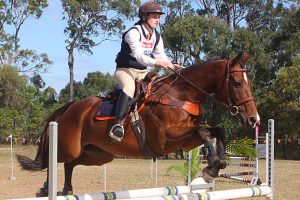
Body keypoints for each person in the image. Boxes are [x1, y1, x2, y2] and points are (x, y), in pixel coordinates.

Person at [109, 1, 182, 142]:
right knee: (129, 88)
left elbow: (161, 56)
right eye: (154, 17)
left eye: (158, 17)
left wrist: (173, 66)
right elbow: (139, 56)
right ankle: (117, 125)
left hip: (142, 72)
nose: (157, 20)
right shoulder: (133, 32)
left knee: (159, 88)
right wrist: (157, 63)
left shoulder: (157, 36)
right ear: (144, 17)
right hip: (125, 70)